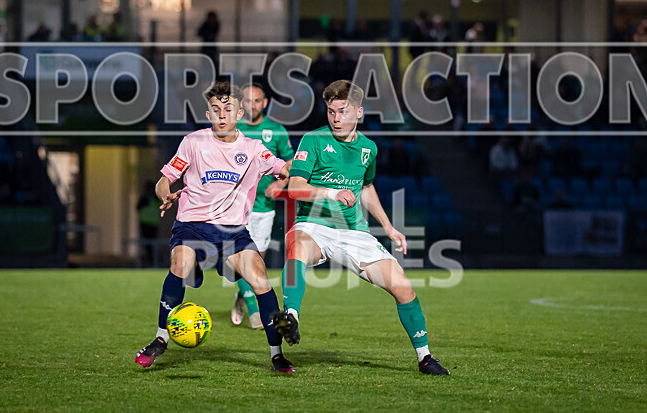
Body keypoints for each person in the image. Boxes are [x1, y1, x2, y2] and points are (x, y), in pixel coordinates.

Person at [273, 80, 450, 375]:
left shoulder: (368, 148)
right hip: (313, 224)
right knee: (297, 247)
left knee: (403, 287)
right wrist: (330, 193)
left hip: (354, 232)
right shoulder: (314, 140)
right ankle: (291, 317)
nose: (336, 118)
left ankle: (425, 358)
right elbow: (295, 187)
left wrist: (389, 228)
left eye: (343, 111)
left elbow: (366, 188)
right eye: (331, 112)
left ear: (359, 112)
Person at [134, 81, 297, 373]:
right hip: (192, 227)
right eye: (216, 109)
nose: (222, 115)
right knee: (180, 263)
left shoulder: (253, 149)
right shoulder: (193, 142)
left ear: (239, 113)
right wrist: (165, 194)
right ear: (208, 115)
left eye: (228, 109)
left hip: (233, 233)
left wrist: (302, 167)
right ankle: (160, 339)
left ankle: (277, 355)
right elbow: (165, 178)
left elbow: (283, 167)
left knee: (260, 279)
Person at [230, 83, 295, 329]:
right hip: (235, 207)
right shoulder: (233, 130)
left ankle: (242, 294)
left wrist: (282, 184)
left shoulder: (276, 130)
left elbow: (290, 161)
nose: (252, 105)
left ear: (264, 103)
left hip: (264, 207)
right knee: (242, 256)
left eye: (257, 101)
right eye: (247, 101)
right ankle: (255, 310)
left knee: (257, 261)